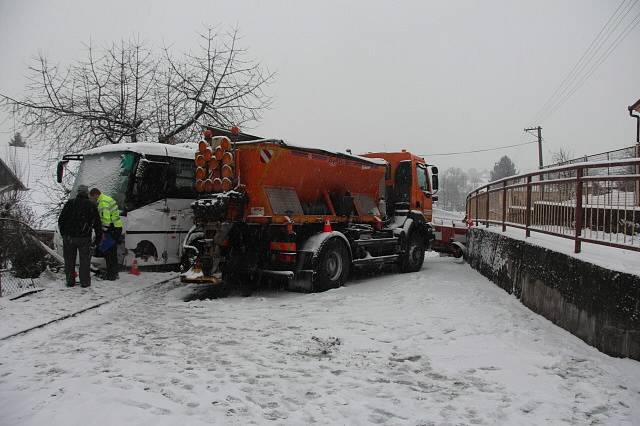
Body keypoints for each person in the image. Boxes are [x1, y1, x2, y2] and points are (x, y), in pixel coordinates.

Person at [58, 184, 102, 287]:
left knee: (69, 260)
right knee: (85, 261)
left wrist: (64, 234)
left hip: (69, 238)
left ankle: (70, 281)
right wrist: (98, 238)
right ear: (87, 193)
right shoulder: (91, 205)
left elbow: (61, 220)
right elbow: (97, 224)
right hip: (84, 238)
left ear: (78, 192)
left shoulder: (70, 203)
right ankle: (85, 282)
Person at [89, 187, 123, 280]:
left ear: (96, 195)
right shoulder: (107, 198)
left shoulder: (102, 203)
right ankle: (114, 273)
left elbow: (106, 220)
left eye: (91, 197)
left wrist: (103, 232)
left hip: (112, 228)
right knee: (112, 251)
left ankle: (111, 275)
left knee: (109, 252)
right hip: (116, 227)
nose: (92, 200)